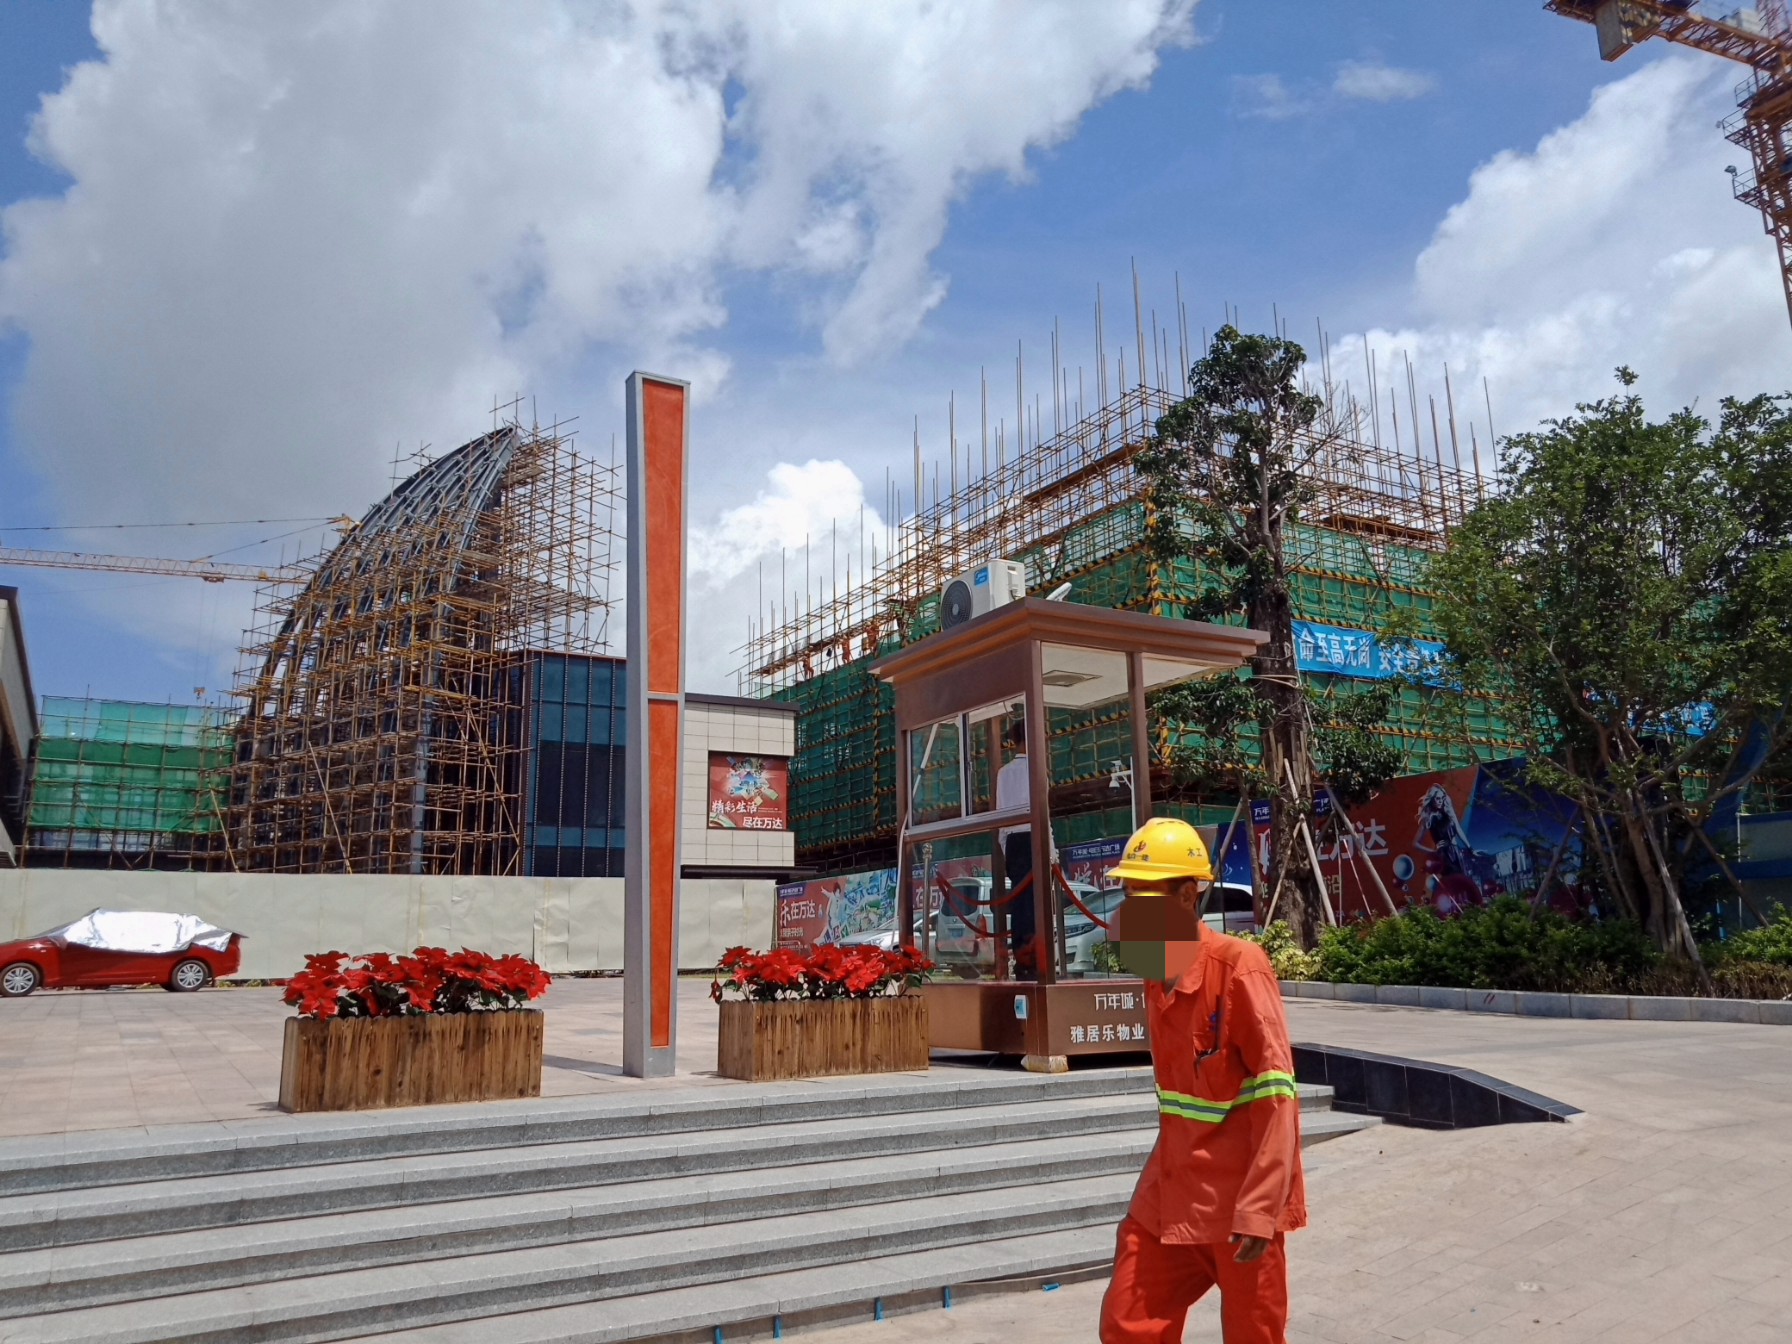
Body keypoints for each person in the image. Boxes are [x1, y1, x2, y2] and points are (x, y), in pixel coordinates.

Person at [1098, 816, 1306, 1344]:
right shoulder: (1156, 977)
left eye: (1145, 895)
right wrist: (1144, 1198)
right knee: (1127, 1323)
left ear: (1188, 895)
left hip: (1238, 1204)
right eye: (1129, 894)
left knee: (1254, 1334)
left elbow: (1277, 1095)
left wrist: (1261, 1209)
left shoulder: (1239, 967)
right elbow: (1177, 1106)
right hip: (1170, 1197)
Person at [994, 718, 1039, 979]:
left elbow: (1000, 814)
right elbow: (1042, 814)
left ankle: (1022, 958)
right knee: (1034, 902)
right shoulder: (1037, 769)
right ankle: (1033, 959)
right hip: (1032, 837)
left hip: (1012, 840)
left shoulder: (1003, 773)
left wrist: (1005, 848)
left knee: (1019, 901)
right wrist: (1051, 853)